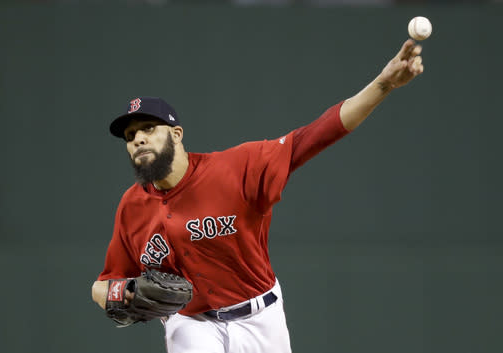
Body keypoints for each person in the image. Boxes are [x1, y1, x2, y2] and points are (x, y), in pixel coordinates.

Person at [92, 39, 424, 353]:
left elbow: (316, 134)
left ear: (177, 134)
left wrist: (383, 85)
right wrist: (127, 291)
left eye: (149, 128)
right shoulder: (132, 207)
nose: (138, 139)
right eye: (131, 135)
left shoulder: (237, 168)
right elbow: (103, 285)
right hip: (190, 324)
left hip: (259, 317)